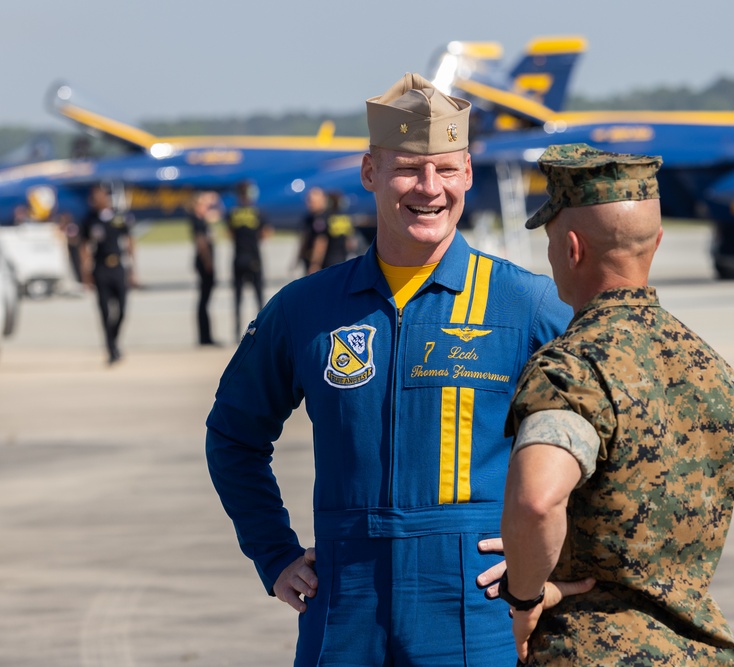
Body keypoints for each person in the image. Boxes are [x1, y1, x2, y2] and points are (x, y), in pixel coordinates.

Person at [206, 72, 573, 667]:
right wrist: (272, 553)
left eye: (447, 169)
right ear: (370, 172)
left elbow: (622, 429)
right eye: (408, 168)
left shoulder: (525, 305)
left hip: (474, 611)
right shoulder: (307, 309)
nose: (430, 187)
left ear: (468, 174)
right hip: (344, 610)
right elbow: (232, 434)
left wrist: (558, 556)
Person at [499, 143, 734, 665]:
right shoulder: (713, 369)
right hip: (698, 652)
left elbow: (537, 501)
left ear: (572, 248)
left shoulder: (571, 370)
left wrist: (524, 597)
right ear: (656, 242)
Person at [79, 183, 136, 364]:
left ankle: (114, 339)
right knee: (104, 311)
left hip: (118, 266)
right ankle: (111, 350)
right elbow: (84, 245)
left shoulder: (118, 217)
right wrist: (85, 271)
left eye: (98, 196)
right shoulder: (90, 219)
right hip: (100, 268)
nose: (95, 200)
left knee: (121, 310)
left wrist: (133, 268)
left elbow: (129, 240)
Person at [226, 180, 271, 341]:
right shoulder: (258, 212)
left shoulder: (233, 212)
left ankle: (236, 331)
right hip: (254, 257)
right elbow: (266, 233)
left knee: (238, 298)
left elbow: (229, 233)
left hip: (238, 257)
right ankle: (262, 330)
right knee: (258, 296)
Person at [300, 187, 361, 275]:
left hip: (325, 263)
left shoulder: (322, 218)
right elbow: (351, 242)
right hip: (341, 260)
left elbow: (321, 242)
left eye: (312, 201)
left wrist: (315, 264)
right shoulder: (343, 218)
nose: (309, 204)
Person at [189, 191, 221, 345]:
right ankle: (204, 337)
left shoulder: (202, 220)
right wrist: (208, 262)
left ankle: (206, 336)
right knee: (204, 300)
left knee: (205, 300)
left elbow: (217, 212)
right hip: (204, 263)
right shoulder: (197, 221)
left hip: (204, 262)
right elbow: (201, 243)